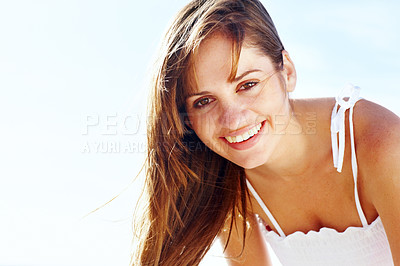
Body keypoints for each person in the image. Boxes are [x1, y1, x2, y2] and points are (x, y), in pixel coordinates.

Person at [133, 0, 400, 265]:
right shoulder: (228, 183)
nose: (233, 119)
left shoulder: (381, 146)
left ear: (287, 71)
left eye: (247, 84)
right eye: (203, 101)